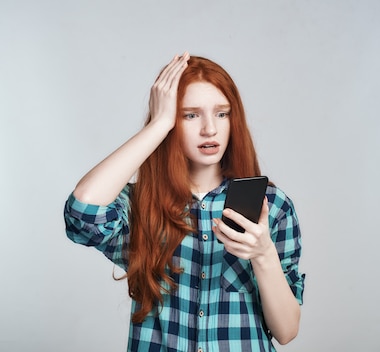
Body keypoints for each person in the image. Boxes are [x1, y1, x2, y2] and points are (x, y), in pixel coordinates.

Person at [64, 52, 305, 352]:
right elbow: (81, 211)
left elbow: (286, 331)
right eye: (190, 115)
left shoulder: (272, 206)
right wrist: (157, 125)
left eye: (222, 113)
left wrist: (263, 253)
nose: (210, 129)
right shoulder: (142, 206)